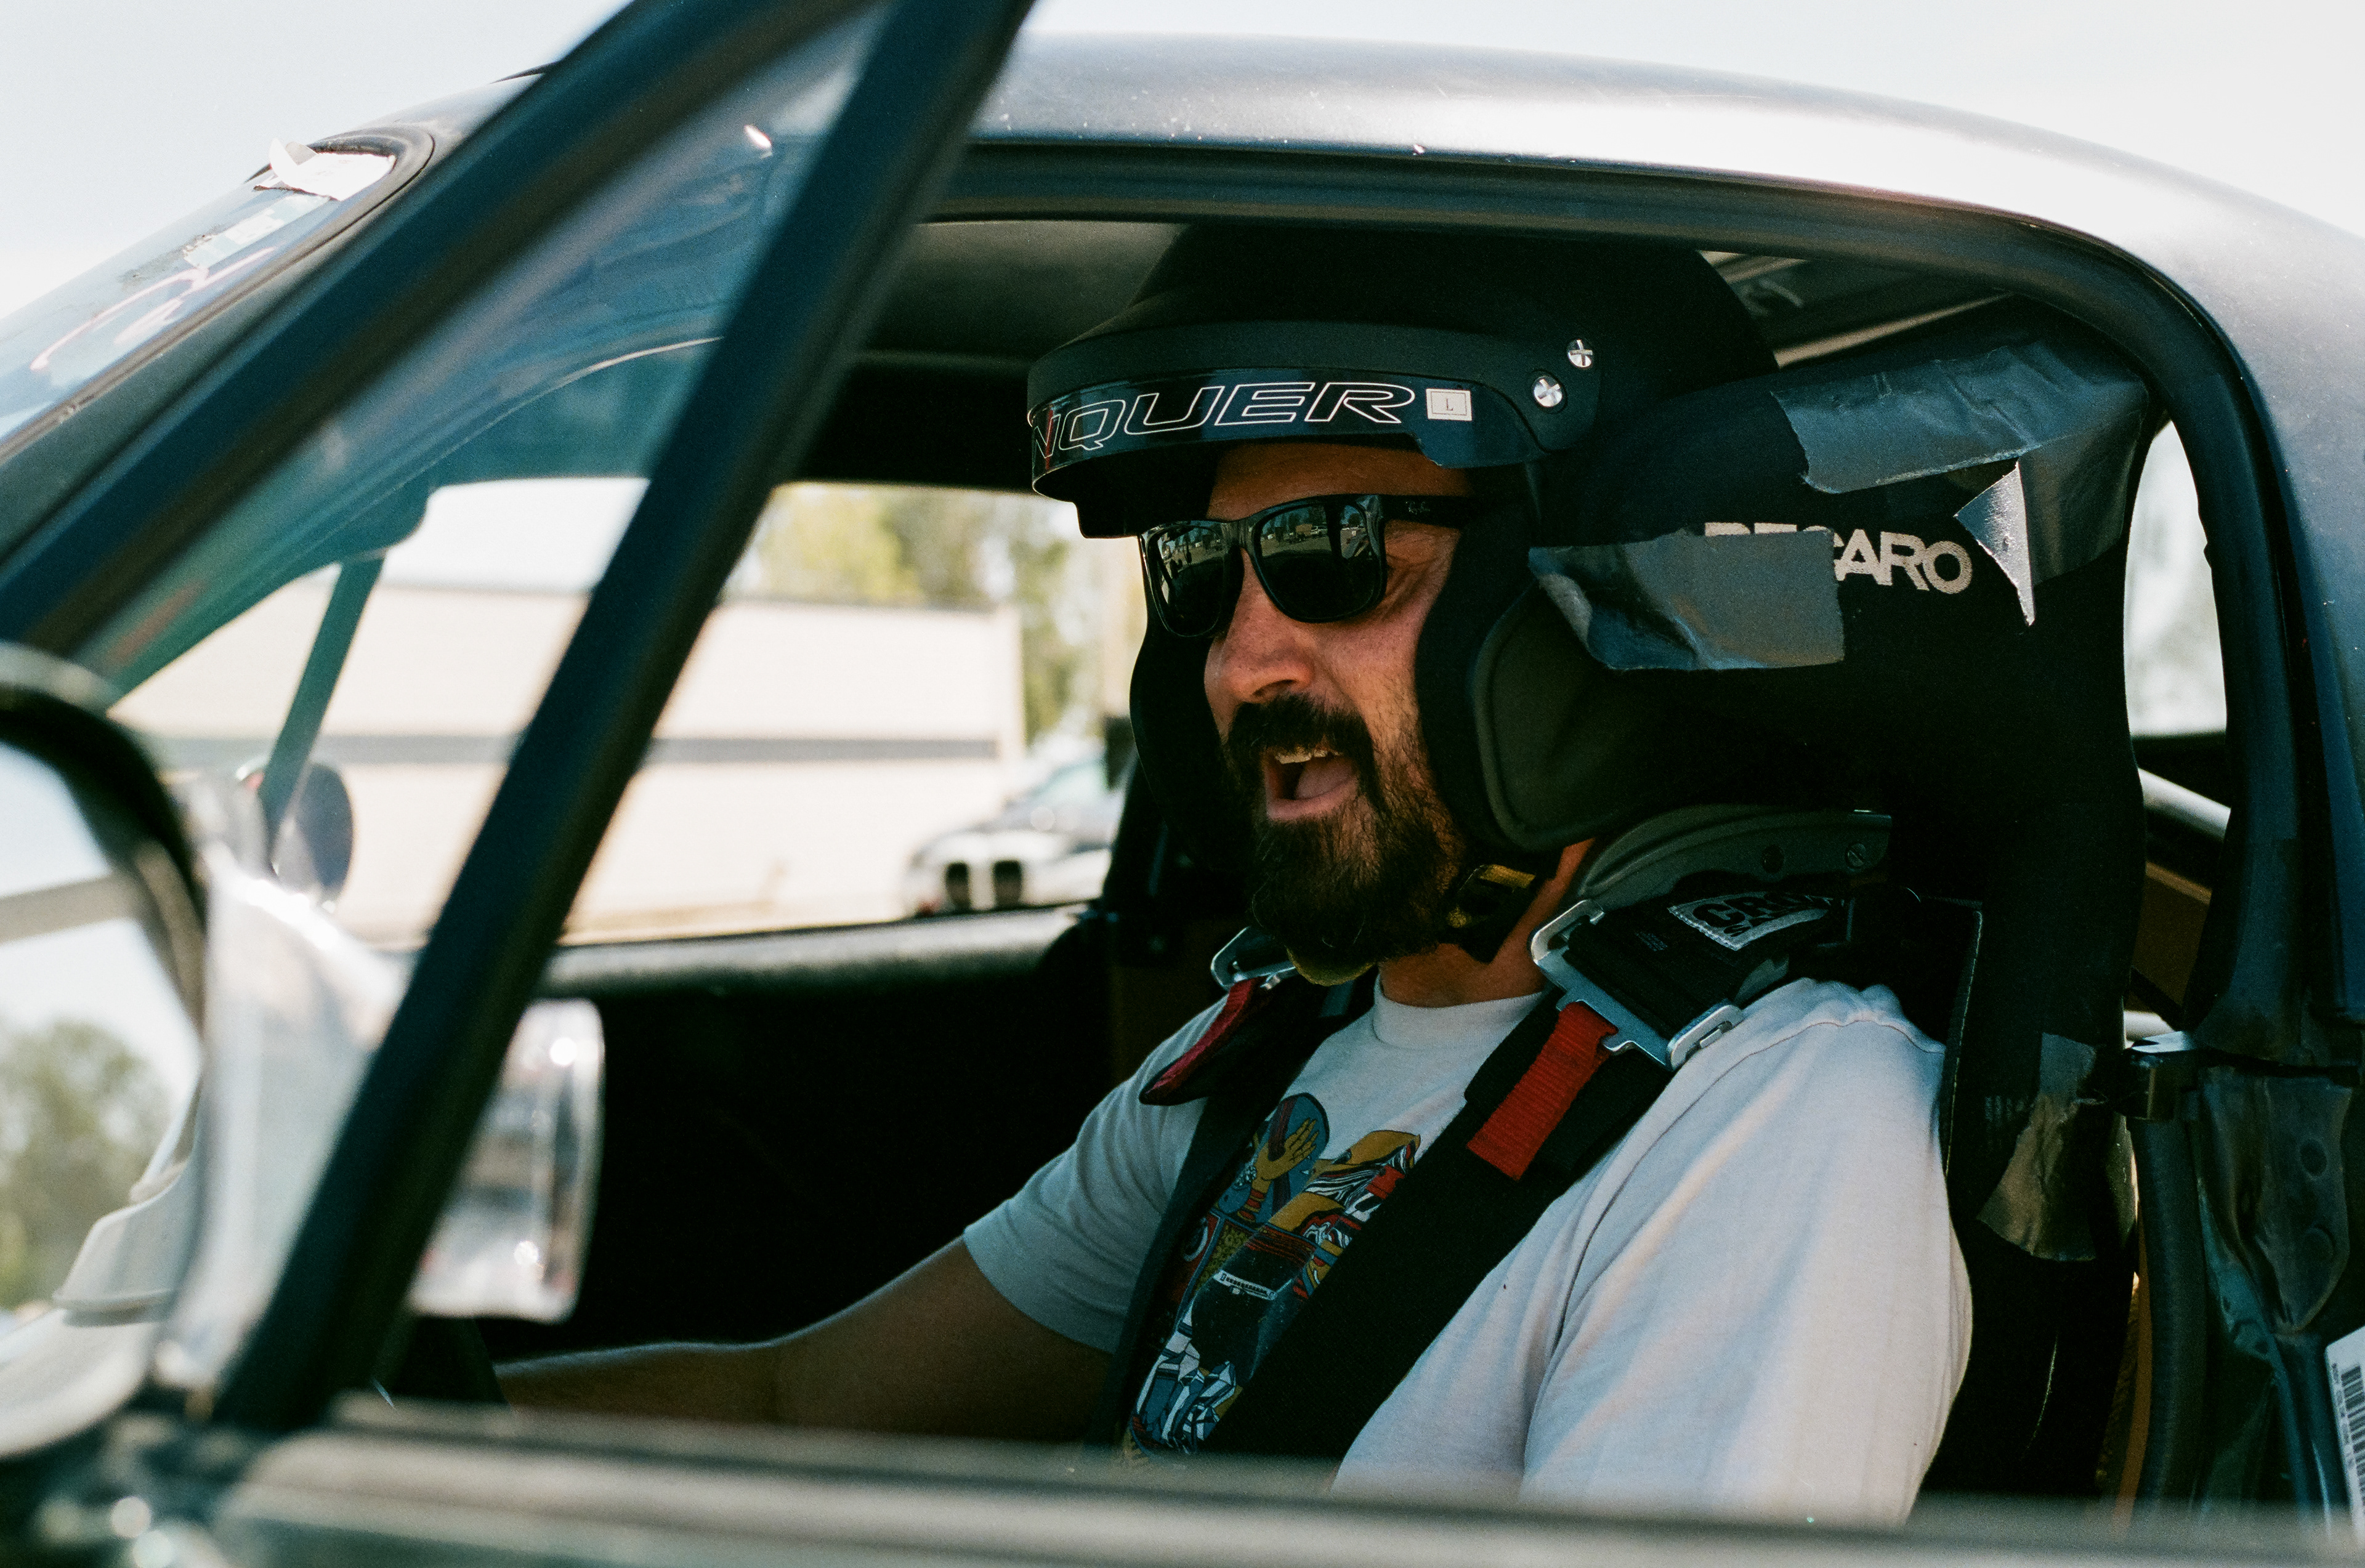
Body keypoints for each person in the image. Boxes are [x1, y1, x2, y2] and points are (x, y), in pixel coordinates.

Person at [503, 228, 1970, 1521]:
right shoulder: (1276, 1052)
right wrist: (350, 1426)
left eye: (1336, 557)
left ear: (1587, 602)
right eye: (1204, 575)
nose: (1240, 660)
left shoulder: (1772, 1121)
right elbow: (803, 1412)